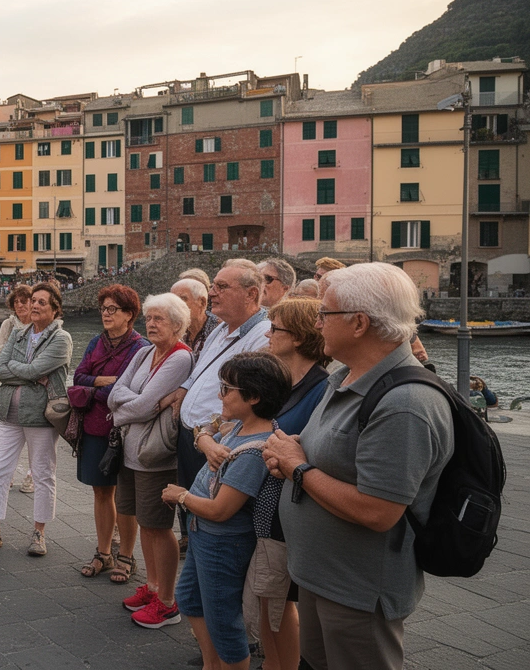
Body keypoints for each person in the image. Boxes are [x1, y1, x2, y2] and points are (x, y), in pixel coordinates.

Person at [263, 263, 454, 670]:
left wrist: (298, 468)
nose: (317, 323)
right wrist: (295, 451)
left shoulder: (405, 405)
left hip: (357, 590)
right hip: (322, 575)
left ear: (359, 324)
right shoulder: (347, 377)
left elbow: (378, 511)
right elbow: (335, 455)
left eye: (324, 314)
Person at [163, 353, 291, 670]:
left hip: (222, 543)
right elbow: (205, 428)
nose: (220, 394)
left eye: (227, 388)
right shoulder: (238, 428)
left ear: (254, 397)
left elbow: (221, 510)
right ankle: (212, 664)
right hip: (203, 535)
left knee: (223, 619)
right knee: (190, 598)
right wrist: (207, 441)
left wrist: (182, 497)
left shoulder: (253, 451)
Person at [242, 297, 331, 670]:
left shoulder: (319, 388)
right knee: (267, 597)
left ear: (296, 337)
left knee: (278, 602)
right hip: (269, 504)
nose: (267, 332)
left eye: (275, 328)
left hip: (288, 508)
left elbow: (309, 447)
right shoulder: (286, 380)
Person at [160, 260, 271, 544]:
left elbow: (248, 397)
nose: (213, 293)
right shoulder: (223, 328)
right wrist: (184, 388)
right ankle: (191, 545)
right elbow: (201, 369)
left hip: (216, 443)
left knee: (208, 515)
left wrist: (210, 435)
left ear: (252, 295)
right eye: (213, 286)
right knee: (192, 513)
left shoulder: (262, 335)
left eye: (222, 287)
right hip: (195, 435)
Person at [107, 293, 193, 628]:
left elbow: (138, 405)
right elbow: (118, 391)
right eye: (150, 317)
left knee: (158, 525)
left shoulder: (180, 359)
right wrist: (139, 404)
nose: (152, 324)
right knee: (145, 521)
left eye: (160, 319)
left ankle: (167, 603)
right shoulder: (144, 352)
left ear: (178, 325)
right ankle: (153, 586)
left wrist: (130, 407)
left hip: (154, 455)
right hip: (132, 450)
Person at [0, 282, 72, 556]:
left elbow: (35, 368)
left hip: (40, 417)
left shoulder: (61, 339)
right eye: (34, 301)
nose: (36, 306)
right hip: (7, 413)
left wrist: (28, 371)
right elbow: (1, 371)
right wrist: (30, 375)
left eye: (42, 302)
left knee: (43, 474)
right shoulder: (17, 333)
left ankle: (39, 533)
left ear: (55, 309)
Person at [74, 285, 149, 582]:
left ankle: (127, 556)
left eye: (112, 309)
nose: (105, 314)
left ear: (129, 315)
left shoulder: (140, 348)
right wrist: (103, 383)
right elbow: (78, 375)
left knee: (126, 497)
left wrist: (94, 388)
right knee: (101, 492)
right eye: (103, 309)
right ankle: (103, 553)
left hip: (124, 430)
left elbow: (131, 390)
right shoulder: (95, 342)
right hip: (94, 428)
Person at [0, 284, 35, 494]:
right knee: (11, 434)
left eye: (24, 301)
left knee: (34, 435)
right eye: (16, 301)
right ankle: (8, 474)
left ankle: (31, 475)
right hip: (9, 385)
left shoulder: (40, 325)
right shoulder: (8, 325)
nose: (19, 305)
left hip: (33, 388)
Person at [172, 278, 221, 359]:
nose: (175, 305)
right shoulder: (174, 331)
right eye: (173, 300)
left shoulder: (219, 330)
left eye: (183, 299)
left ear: (202, 302)